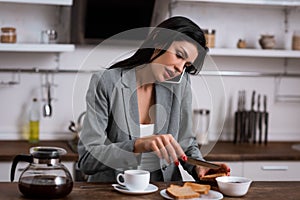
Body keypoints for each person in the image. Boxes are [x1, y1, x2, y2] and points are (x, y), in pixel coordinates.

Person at [77, 16, 230, 182]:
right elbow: (87, 160)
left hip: (163, 191)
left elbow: (185, 143)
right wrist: (137, 146)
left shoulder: (180, 85)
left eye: (186, 65)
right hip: (114, 191)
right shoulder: (107, 82)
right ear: (158, 41)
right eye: (179, 55)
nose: (180, 68)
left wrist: (199, 166)